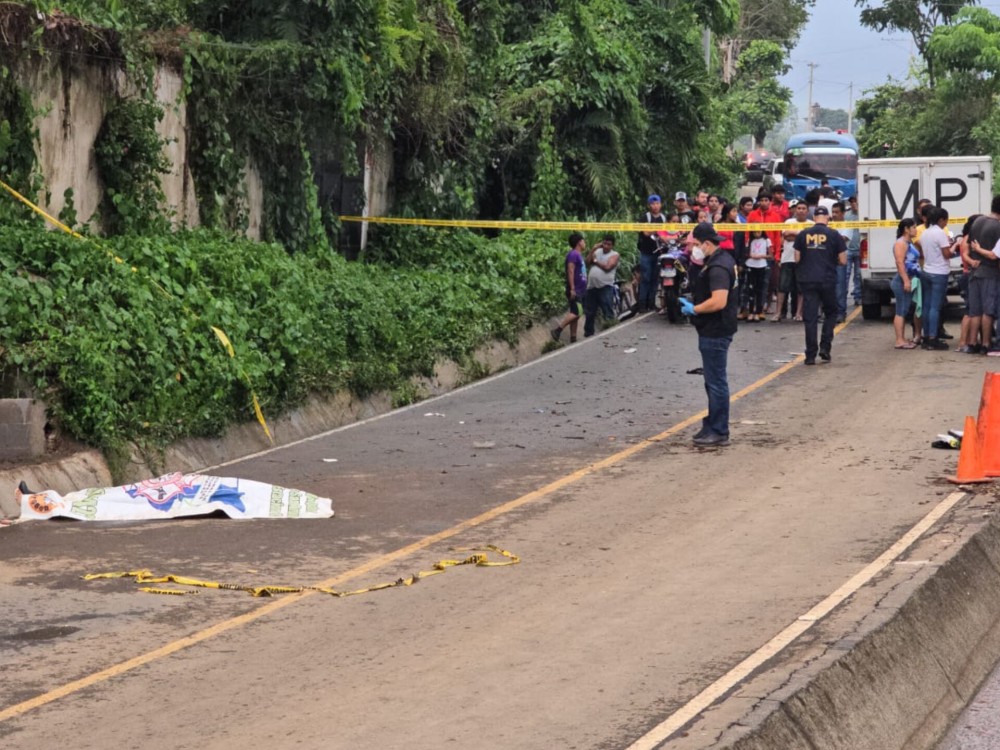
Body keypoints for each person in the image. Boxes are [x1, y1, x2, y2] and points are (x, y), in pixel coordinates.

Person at [679, 222, 738, 447]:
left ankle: (719, 430)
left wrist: (695, 309)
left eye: (694, 244)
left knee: (716, 382)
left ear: (706, 243)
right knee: (711, 380)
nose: (692, 248)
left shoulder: (718, 267)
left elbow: (719, 301)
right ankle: (711, 423)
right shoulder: (719, 260)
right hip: (713, 328)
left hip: (716, 329)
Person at [793, 205, 846, 365]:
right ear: (828, 218)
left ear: (814, 217)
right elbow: (843, 260)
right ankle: (825, 348)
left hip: (808, 279)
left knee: (810, 318)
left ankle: (810, 355)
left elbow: (796, 258)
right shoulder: (835, 235)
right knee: (830, 313)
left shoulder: (803, 234)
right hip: (827, 279)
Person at [917, 206, 954, 350]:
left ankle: (926, 337)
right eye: (946, 220)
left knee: (926, 306)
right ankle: (933, 337)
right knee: (935, 307)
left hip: (926, 270)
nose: (946, 223)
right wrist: (955, 246)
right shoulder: (940, 233)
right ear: (941, 219)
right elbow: (946, 254)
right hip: (939, 273)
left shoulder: (925, 233)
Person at [968, 197, 1000, 355]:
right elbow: (995, 256)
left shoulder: (977, 221)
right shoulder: (998, 227)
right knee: (988, 310)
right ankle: (985, 344)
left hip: (974, 272)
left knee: (975, 310)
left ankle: (972, 343)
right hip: (990, 272)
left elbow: (969, 245)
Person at [889, 219, 921, 349]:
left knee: (905, 308)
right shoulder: (901, 243)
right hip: (902, 280)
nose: (916, 230)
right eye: (913, 227)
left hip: (910, 278)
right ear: (906, 229)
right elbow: (900, 262)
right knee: (901, 310)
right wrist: (906, 280)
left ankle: (902, 337)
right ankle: (899, 340)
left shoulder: (909, 242)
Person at [775, 199, 808, 322]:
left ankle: (798, 313)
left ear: (807, 211)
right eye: (799, 208)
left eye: (803, 208)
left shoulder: (811, 223)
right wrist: (801, 235)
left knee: (801, 289)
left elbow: (806, 239)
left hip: (804, 260)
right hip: (787, 258)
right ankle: (778, 313)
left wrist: (795, 235)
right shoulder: (788, 221)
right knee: (782, 287)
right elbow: (786, 236)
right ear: (795, 210)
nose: (801, 211)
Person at [551, 232, 587, 343]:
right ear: (579, 242)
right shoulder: (573, 254)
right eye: (583, 241)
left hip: (579, 289)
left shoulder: (578, 255)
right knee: (577, 312)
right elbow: (570, 270)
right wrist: (572, 288)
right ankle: (558, 330)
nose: (584, 243)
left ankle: (573, 337)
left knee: (575, 313)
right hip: (575, 289)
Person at [583, 234, 620, 337]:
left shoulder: (615, 254)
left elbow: (608, 267)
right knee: (590, 312)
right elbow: (587, 262)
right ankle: (588, 333)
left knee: (607, 310)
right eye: (604, 243)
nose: (606, 246)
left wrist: (595, 261)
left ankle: (612, 331)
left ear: (612, 245)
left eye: (609, 244)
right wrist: (593, 249)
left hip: (605, 286)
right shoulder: (597, 251)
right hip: (592, 287)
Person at [636, 195, 668, 312]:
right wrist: (658, 230)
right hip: (646, 252)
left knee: (655, 279)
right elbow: (646, 233)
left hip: (659, 253)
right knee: (646, 278)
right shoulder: (645, 217)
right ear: (649, 205)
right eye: (653, 204)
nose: (655, 206)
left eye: (657, 203)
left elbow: (666, 234)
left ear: (660, 204)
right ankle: (642, 304)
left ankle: (652, 303)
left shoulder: (664, 218)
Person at [831, 201, 850, 323]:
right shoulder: (829, 225)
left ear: (843, 213)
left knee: (840, 287)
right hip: (828, 260)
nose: (834, 215)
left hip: (840, 261)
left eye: (837, 212)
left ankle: (841, 312)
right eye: (832, 212)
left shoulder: (848, 226)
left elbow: (843, 239)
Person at [745, 229, 771, 321]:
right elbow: (747, 252)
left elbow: (770, 254)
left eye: (758, 232)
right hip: (751, 265)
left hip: (761, 265)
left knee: (759, 289)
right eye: (754, 232)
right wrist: (750, 255)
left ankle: (758, 311)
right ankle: (751, 311)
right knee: (751, 288)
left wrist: (761, 256)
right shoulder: (750, 240)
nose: (756, 234)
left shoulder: (766, 240)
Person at [843, 195, 862, 307]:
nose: (854, 204)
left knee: (859, 275)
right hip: (848, 248)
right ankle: (843, 297)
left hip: (860, 248)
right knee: (846, 274)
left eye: (856, 201)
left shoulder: (863, 214)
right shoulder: (847, 215)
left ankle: (858, 296)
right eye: (852, 202)